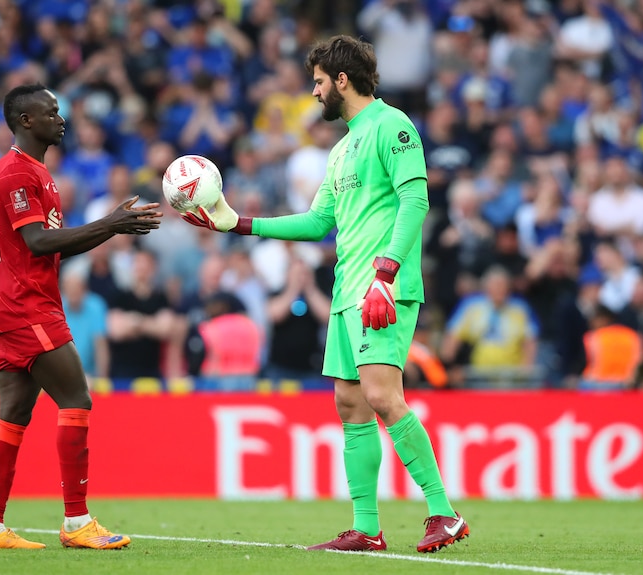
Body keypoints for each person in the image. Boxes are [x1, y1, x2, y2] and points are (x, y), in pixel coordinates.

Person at [180, 35, 468, 553]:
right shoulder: (339, 150)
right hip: (346, 290)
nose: (312, 93)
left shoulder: (393, 126)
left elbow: (416, 201)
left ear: (341, 79)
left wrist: (385, 274)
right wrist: (238, 223)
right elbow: (318, 223)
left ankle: (444, 513)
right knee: (350, 404)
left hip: (383, 288)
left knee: (382, 395)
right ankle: (367, 529)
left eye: (317, 81)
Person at [0, 84, 161, 550]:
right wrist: (109, 225)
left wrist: (109, 228)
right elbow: (37, 242)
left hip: (24, 302)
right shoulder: (16, 172)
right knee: (76, 397)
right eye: (52, 111)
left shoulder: (37, 172)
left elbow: (54, 245)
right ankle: (76, 521)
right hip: (26, 305)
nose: (62, 117)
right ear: (25, 120)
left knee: (14, 412)